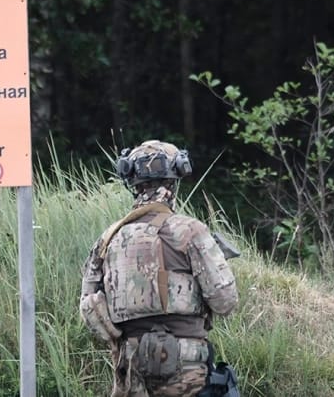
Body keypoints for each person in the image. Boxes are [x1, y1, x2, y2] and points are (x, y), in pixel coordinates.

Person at [80, 140, 240, 396]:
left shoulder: (107, 240)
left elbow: (88, 306)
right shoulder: (190, 231)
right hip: (185, 365)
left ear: (132, 183)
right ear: (174, 181)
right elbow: (225, 302)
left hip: (130, 365)